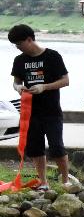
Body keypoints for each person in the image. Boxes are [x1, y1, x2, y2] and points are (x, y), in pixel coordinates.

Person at [8, 24, 74, 190]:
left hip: (51, 111)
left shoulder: (52, 56)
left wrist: (44, 87)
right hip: (30, 112)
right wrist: (18, 88)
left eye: (19, 44)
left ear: (30, 39)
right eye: (15, 45)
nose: (18, 48)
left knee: (57, 146)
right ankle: (43, 182)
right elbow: (16, 81)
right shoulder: (20, 60)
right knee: (35, 147)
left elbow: (65, 81)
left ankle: (66, 181)